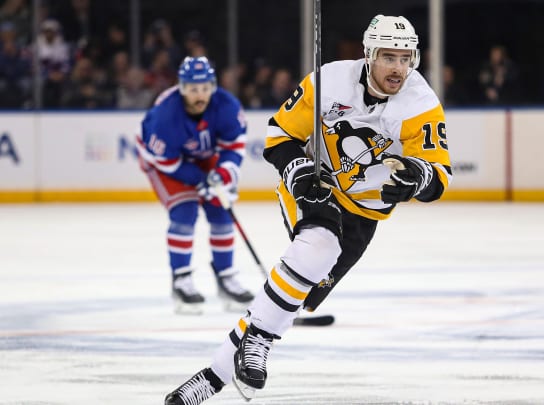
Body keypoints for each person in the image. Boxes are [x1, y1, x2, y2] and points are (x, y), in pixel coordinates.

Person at [164, 14, 452, 404]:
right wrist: (297, 169)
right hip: (318, 186)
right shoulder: (329, 81)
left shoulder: (420, 104)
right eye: (388, 57)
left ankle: (212, 376)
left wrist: (417, 177)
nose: (398, 68)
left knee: (299, 290)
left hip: (365, 214)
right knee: (318, 246)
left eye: (405, 58)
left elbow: (439, 175)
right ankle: (260, 341)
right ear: (368, 55)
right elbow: (279, 134)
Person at [136, 56, 254, 315]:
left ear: (212, 86)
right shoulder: (165, 116)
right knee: (185, 210)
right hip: (162, 162)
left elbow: (234, 147)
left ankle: (226, 277)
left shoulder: (226, 105)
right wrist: (201, 181)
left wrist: (222, 176)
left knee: (221, 208)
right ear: (181, 88)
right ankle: (181, 280)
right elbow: (165, 161)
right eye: (192, 89)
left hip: (201, 156)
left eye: (203, 88)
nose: (199, 94)